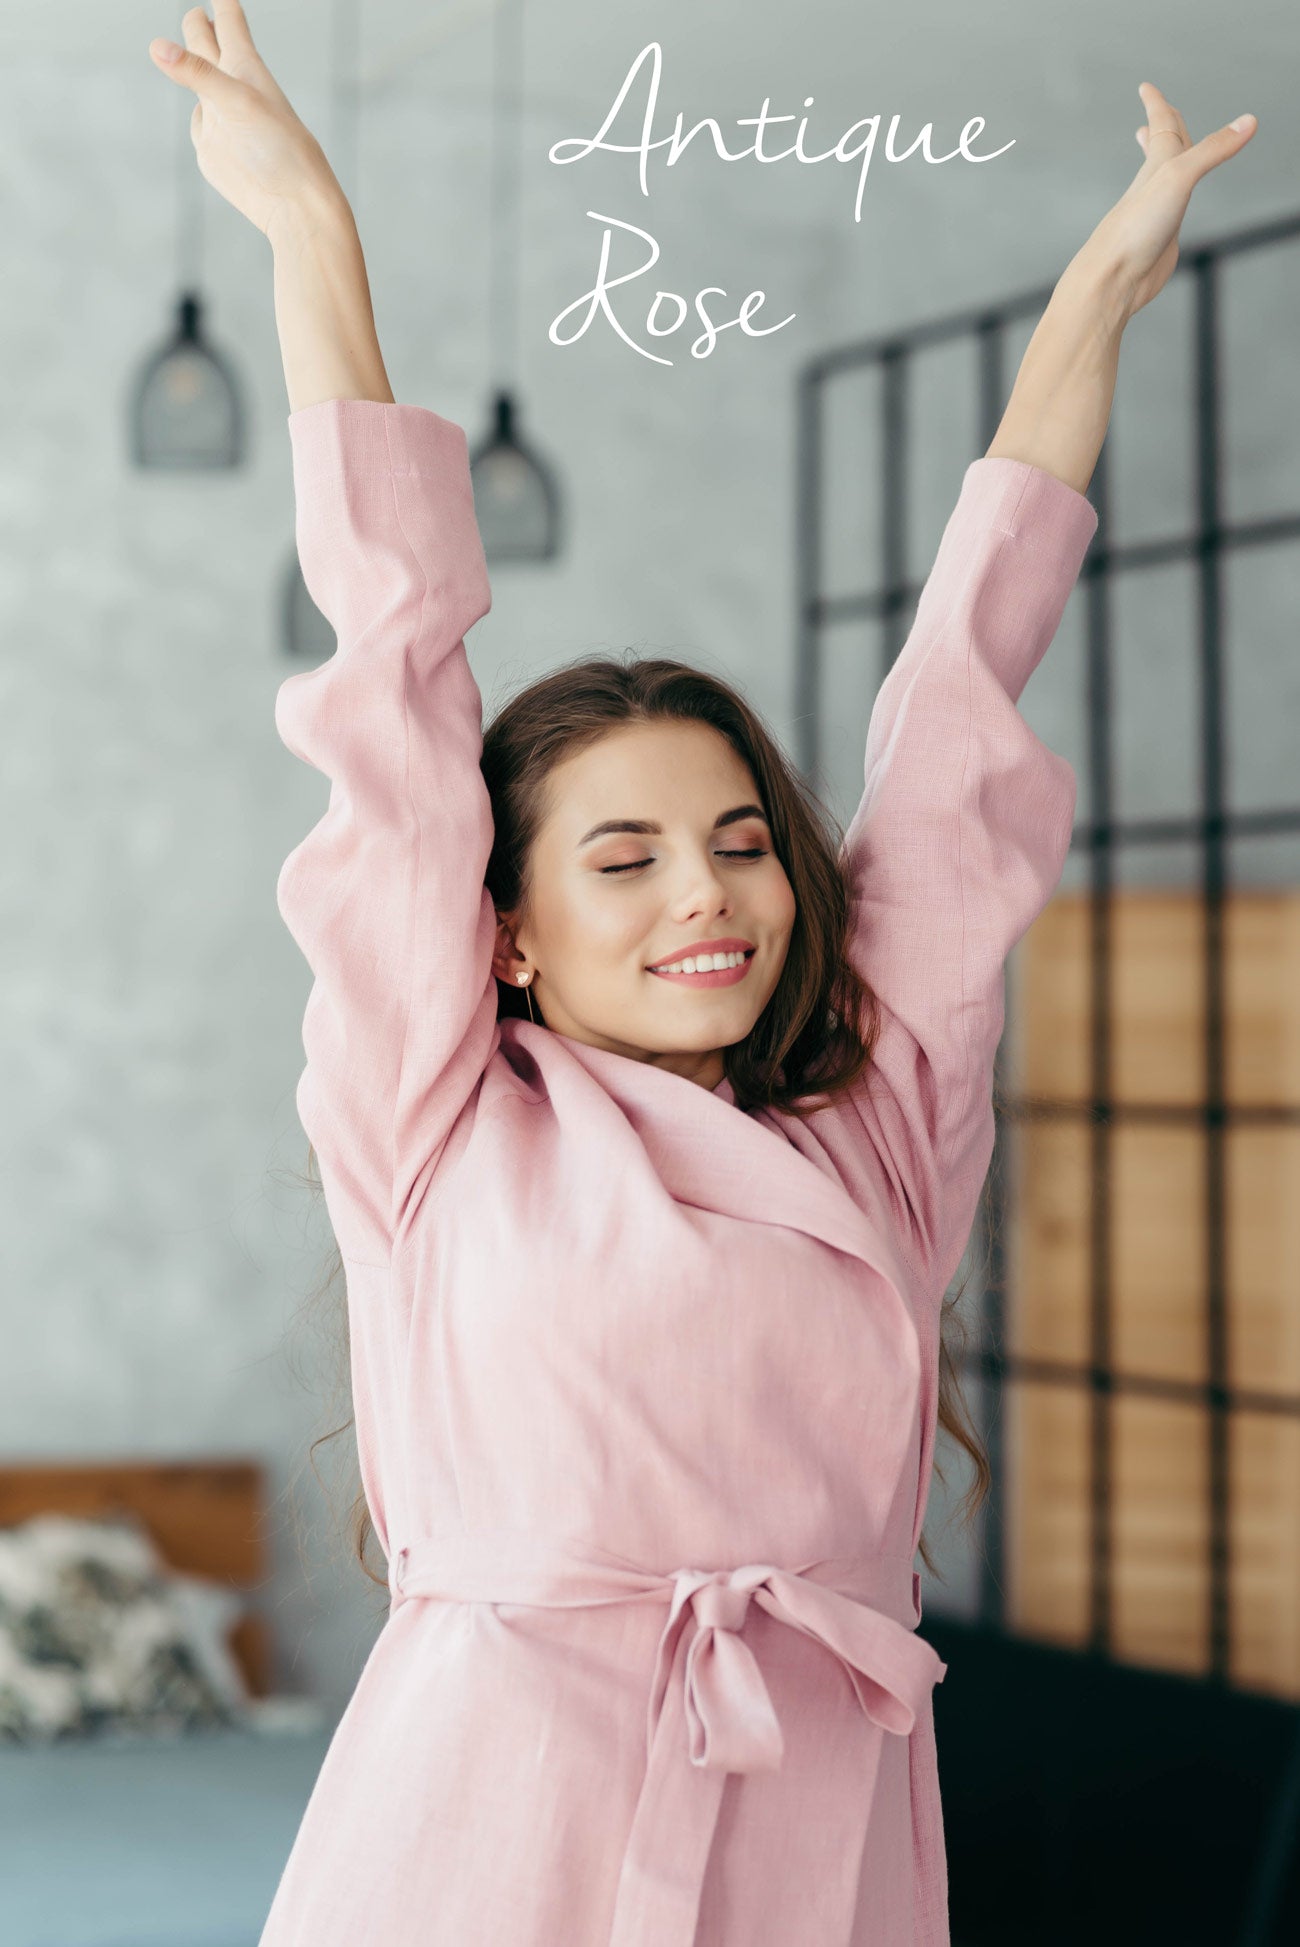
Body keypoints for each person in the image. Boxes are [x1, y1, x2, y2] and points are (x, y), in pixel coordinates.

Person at [148, 11, 1255, 1944]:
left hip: (826, 1823)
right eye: (627, 856)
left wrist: (1098, 303)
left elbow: (962, 719)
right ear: (502, 922)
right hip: (495, 1828)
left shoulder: (881, 1133)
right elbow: (394, 692)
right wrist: (310, 238)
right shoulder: (438, 1122)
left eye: (744, 841)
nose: (708, 897)